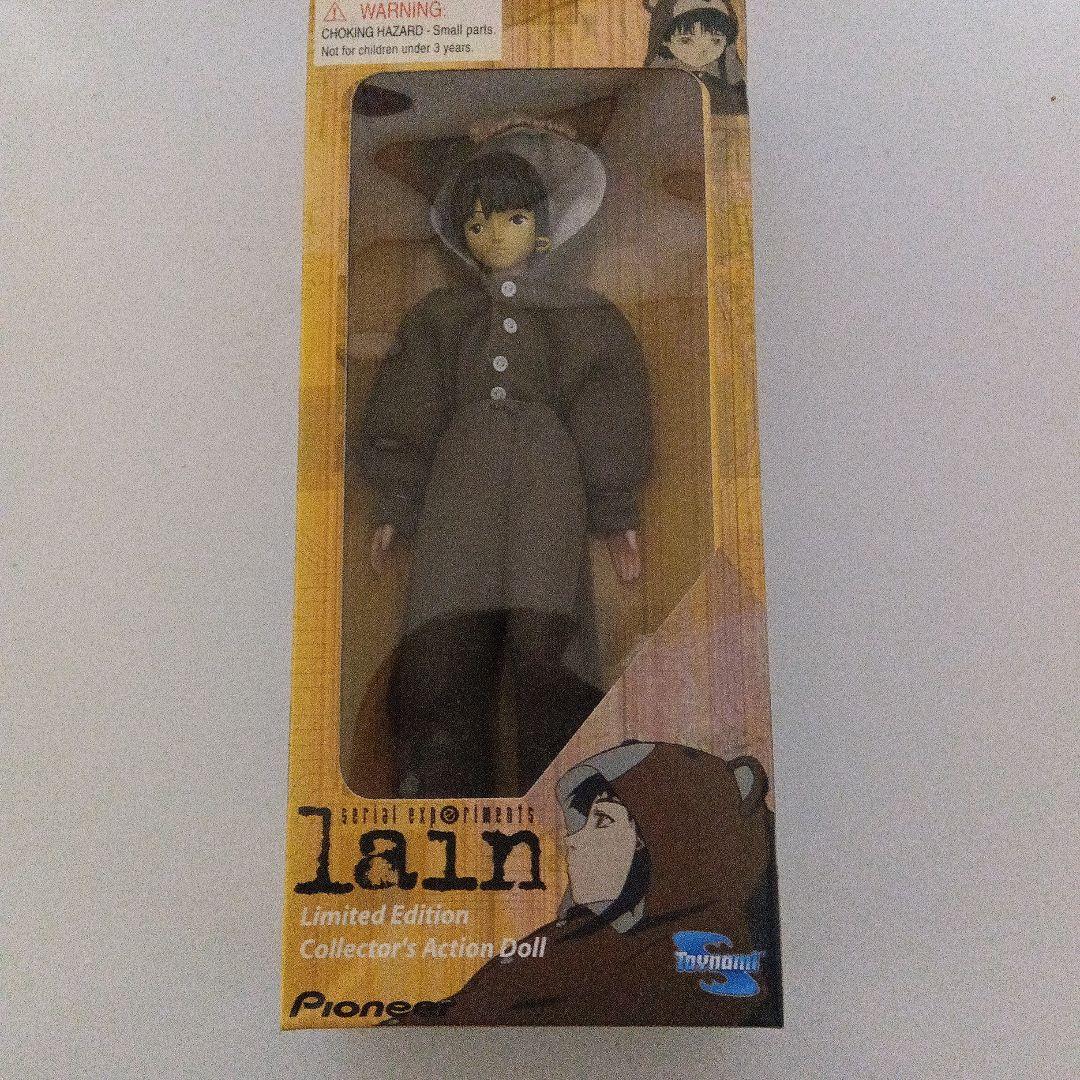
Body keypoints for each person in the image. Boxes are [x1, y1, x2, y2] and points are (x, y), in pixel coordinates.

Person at [357, 119, 652, 797]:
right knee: (442, 634)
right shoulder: (440, 317)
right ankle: (441, 788)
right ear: (462, 235)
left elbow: (608, 410)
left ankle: (567, 795)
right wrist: (395, 503)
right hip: (457, 490)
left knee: (550, 637)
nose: (494, 237)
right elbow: (408, 403)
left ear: (542, 230)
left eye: (512, 219)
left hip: (549, 486)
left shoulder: (583, 317)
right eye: (478, 224)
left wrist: (617, 512)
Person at [393, 740, 783, 1025]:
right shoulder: (578, 937)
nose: (571, 841)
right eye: (580, 822)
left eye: (603, 821)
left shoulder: (700, 963)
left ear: (666, 838)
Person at [645, 0, 749, 116]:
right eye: (686, 40)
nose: (702, 50)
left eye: (716, 41)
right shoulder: (658, 84)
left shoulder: (726, 88)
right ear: (664, 40)